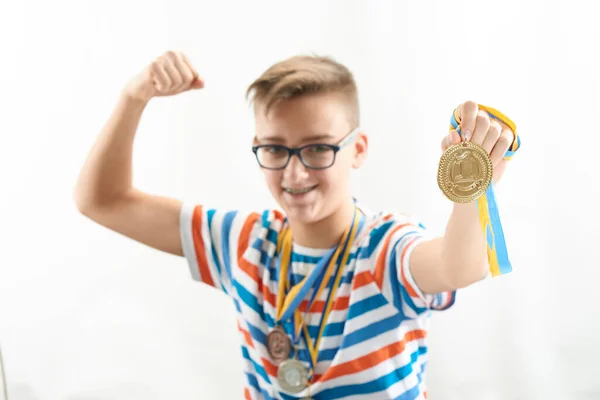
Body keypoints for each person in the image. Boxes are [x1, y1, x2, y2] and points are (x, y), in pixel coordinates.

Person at [74, 50, 517, 399]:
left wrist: (475, 188)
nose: (295, 173)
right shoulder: (242, 242)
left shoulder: (385, 248)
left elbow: (460, 267)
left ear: (357, 149)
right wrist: (133, 97)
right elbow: (102, 201)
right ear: (256, 146)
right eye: (275, 149)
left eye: (318, 148)